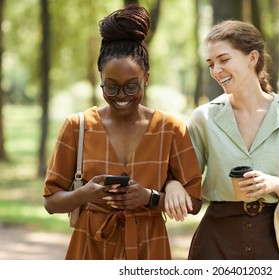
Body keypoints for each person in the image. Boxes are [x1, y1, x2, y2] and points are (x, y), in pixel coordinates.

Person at [43, 4, 202, 260]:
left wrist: (148, 198)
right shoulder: (77, 126)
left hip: (149, 249)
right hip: (90, 248)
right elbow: (51, 201)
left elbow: (194, 202)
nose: (121, 97)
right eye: (111, 87)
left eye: (131, 87)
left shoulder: (171, 129)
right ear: (100, 79)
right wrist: (84, 194)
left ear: (146, 78)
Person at [186, 20, 279, 260]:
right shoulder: (203, 118)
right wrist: (173, 185)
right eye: (211, 64)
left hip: (277, 241)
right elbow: (187, 182)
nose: (216, 70)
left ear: (252, 57)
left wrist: (273, 184)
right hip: (215, 242)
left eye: (224, 60)